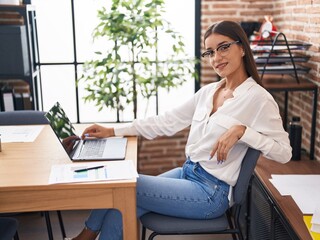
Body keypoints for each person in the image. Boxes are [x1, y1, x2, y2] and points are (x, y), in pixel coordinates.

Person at [66, 20, 292, 240]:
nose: (216, 58)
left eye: (223, 48)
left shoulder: (259, 99)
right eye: (210, 52)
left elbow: (284, 153)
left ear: (242, 48)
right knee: (119, 210)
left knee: (123, 185)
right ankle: (88, 234)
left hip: (211, 193)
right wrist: (113, 131)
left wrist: (243, 131)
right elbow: (166, 121)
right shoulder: (209, 92)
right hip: (188, 173)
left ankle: (86, 234)